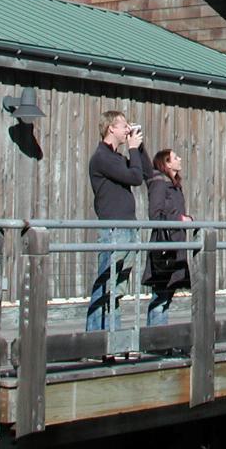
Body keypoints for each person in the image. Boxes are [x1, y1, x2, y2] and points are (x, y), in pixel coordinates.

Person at [85, 110, 146, 332]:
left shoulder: (119, 158)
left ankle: (113, 338)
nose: (127, 129)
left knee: (117, 288)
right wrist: (131, 148)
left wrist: (138, 147)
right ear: (111, 128)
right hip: (113, 228)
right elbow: (135, 177)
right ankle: (94, 339)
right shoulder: (102, 158)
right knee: (106, 284)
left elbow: (143, 171)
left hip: (127, 227)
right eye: (124, 125)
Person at [143, 148, 192, 327]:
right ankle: (156, 341)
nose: (179, 159)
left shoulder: (175, 186)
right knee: (160, 296)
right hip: (164, 248)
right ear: (167, 163)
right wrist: (179, 219)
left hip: (176, 245)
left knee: (166, 295)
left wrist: (186, 219)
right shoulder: (160, 184)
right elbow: (155, 215)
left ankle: (159, 339)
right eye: (175, 157)